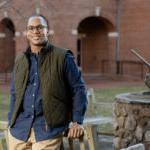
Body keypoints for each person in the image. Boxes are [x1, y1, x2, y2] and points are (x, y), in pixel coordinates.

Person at [8, 15, 87, 150]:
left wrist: (77, 121)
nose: (35, 31)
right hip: (19, 131)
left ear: (47, 31)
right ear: (27, 33)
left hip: (47, 131)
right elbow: (14, 92)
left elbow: (78, 89)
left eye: (40, 27)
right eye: (31, 28)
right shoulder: (20, 59)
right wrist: (11, 121)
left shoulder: (63, 57)